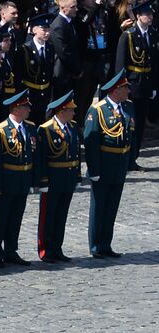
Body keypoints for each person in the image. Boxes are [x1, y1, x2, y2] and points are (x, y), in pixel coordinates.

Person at [83, 72, 134, 257]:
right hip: (103, 164)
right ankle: (96, 245)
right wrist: (93, 169)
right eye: (125, 88)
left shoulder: (128, 108)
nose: (128, 90)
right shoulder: (97, 110)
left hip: (119, 164)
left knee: (112, 206)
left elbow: (130, 137)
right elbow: (91, 142)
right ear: (116, 90)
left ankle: (106, 243)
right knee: (99, 206)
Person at [0, 90, 35, 267]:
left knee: (15, 218)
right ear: (16, 109)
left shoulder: (29, 127)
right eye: (25, 107)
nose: (29, 110)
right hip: (6, 181)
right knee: (0, 219)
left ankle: (11, 250)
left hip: (22, 180)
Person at [34, 92, 81, 262]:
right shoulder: (46, 129)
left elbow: (76, 154)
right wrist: (43, 180)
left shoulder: (73, 126)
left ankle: (57, 247)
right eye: (71, 110)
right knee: (48, 215)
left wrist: (77, 176)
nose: (74, 113)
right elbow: (41, 158)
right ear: (62, 111)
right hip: (52, 178)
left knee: (61, 215)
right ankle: (45, 249)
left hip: (67, 177)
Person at [115, 3, 154, 170]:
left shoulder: (152, 34)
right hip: (131, 84)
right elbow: (121, 64)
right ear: (138, 16)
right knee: (128, 124)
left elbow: (155, 62)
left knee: (139, 125)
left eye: (151, 14)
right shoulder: (128, 35)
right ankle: (125, 158)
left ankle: (134, 158)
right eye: (147, 14)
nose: (150, 17)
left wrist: (154, 86)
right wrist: (121, 87)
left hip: (145, 84)